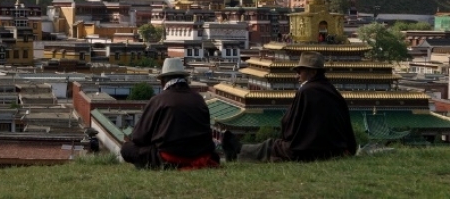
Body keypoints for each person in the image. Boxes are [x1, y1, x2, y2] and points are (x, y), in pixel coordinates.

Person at [223, 51, 357, 162]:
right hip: (337, 149)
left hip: (312, 151)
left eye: (300, 71)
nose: (297, 75)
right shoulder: (332, 91)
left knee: (273, 146)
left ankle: (238, 151)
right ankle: (239, 150)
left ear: (313, 72)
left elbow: (290, 123)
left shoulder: (307, 91)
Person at [121, 57, 220, 170]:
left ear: (163, 81)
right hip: (201, 155)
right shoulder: (199, 99)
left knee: (127, 148)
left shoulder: (158, 100)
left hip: (169, 157)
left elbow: (139, 137)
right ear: (184, 79)